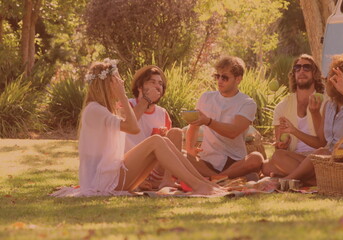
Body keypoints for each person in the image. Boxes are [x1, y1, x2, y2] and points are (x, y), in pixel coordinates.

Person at [51, 59, 223, 197]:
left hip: (113, 174)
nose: (121, 83)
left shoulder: (101, 109)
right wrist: (122, 95)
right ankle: (200, 185)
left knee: (161, 140)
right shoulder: (94, 110)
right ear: (107, 83)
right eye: (116, 81)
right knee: (156, 141)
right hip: (103, 180)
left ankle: (203, 183)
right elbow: (133, 127)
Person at [272, 52, 343, 185]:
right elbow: (321, 141)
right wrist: (314, 114)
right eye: (333, 76)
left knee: (321, 153)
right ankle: (314, 181)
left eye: (339, 78)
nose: (332, 80)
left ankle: (287, 180)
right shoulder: (329, 106)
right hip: (327, 160)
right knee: (279, 156)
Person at [185, 56, 264, 180]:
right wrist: (190, 149)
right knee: (180, 155)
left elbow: (233, 132)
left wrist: (208, 121)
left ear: (238, 79)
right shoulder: (206, 97)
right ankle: (220, 178)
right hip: (207, 160)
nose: (220, 81)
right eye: (218, 76)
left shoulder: (247, 103)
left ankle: (214, 178)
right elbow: (193, 126)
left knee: (256, 158)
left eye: (225, 77)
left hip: (234, 161)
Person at [261, 54, 325, 177]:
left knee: (273, 164)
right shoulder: (282, 106)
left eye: (307, 67)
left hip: (320, 157)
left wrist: (294, 131)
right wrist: (281, 145)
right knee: (271, 162)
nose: (301, 71)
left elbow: (322, 143)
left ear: (315, 73)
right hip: (295, 158)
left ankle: (294, 177)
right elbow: (279, 146)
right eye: (297, 68)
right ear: (294, 74)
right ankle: (311, 178)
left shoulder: (326, 102)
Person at [124, 65, 182, 190]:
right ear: (140, 86)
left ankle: (166, 181)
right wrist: (146, 100)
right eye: (152, 82)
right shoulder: (127, 105)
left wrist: (164, 136)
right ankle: (140, 181)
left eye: (160, 83)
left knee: (176, 133)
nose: (157, 86)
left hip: (154, 168)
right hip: (131, 166)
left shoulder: (162, 113)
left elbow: (166, 149)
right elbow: (129, 123)